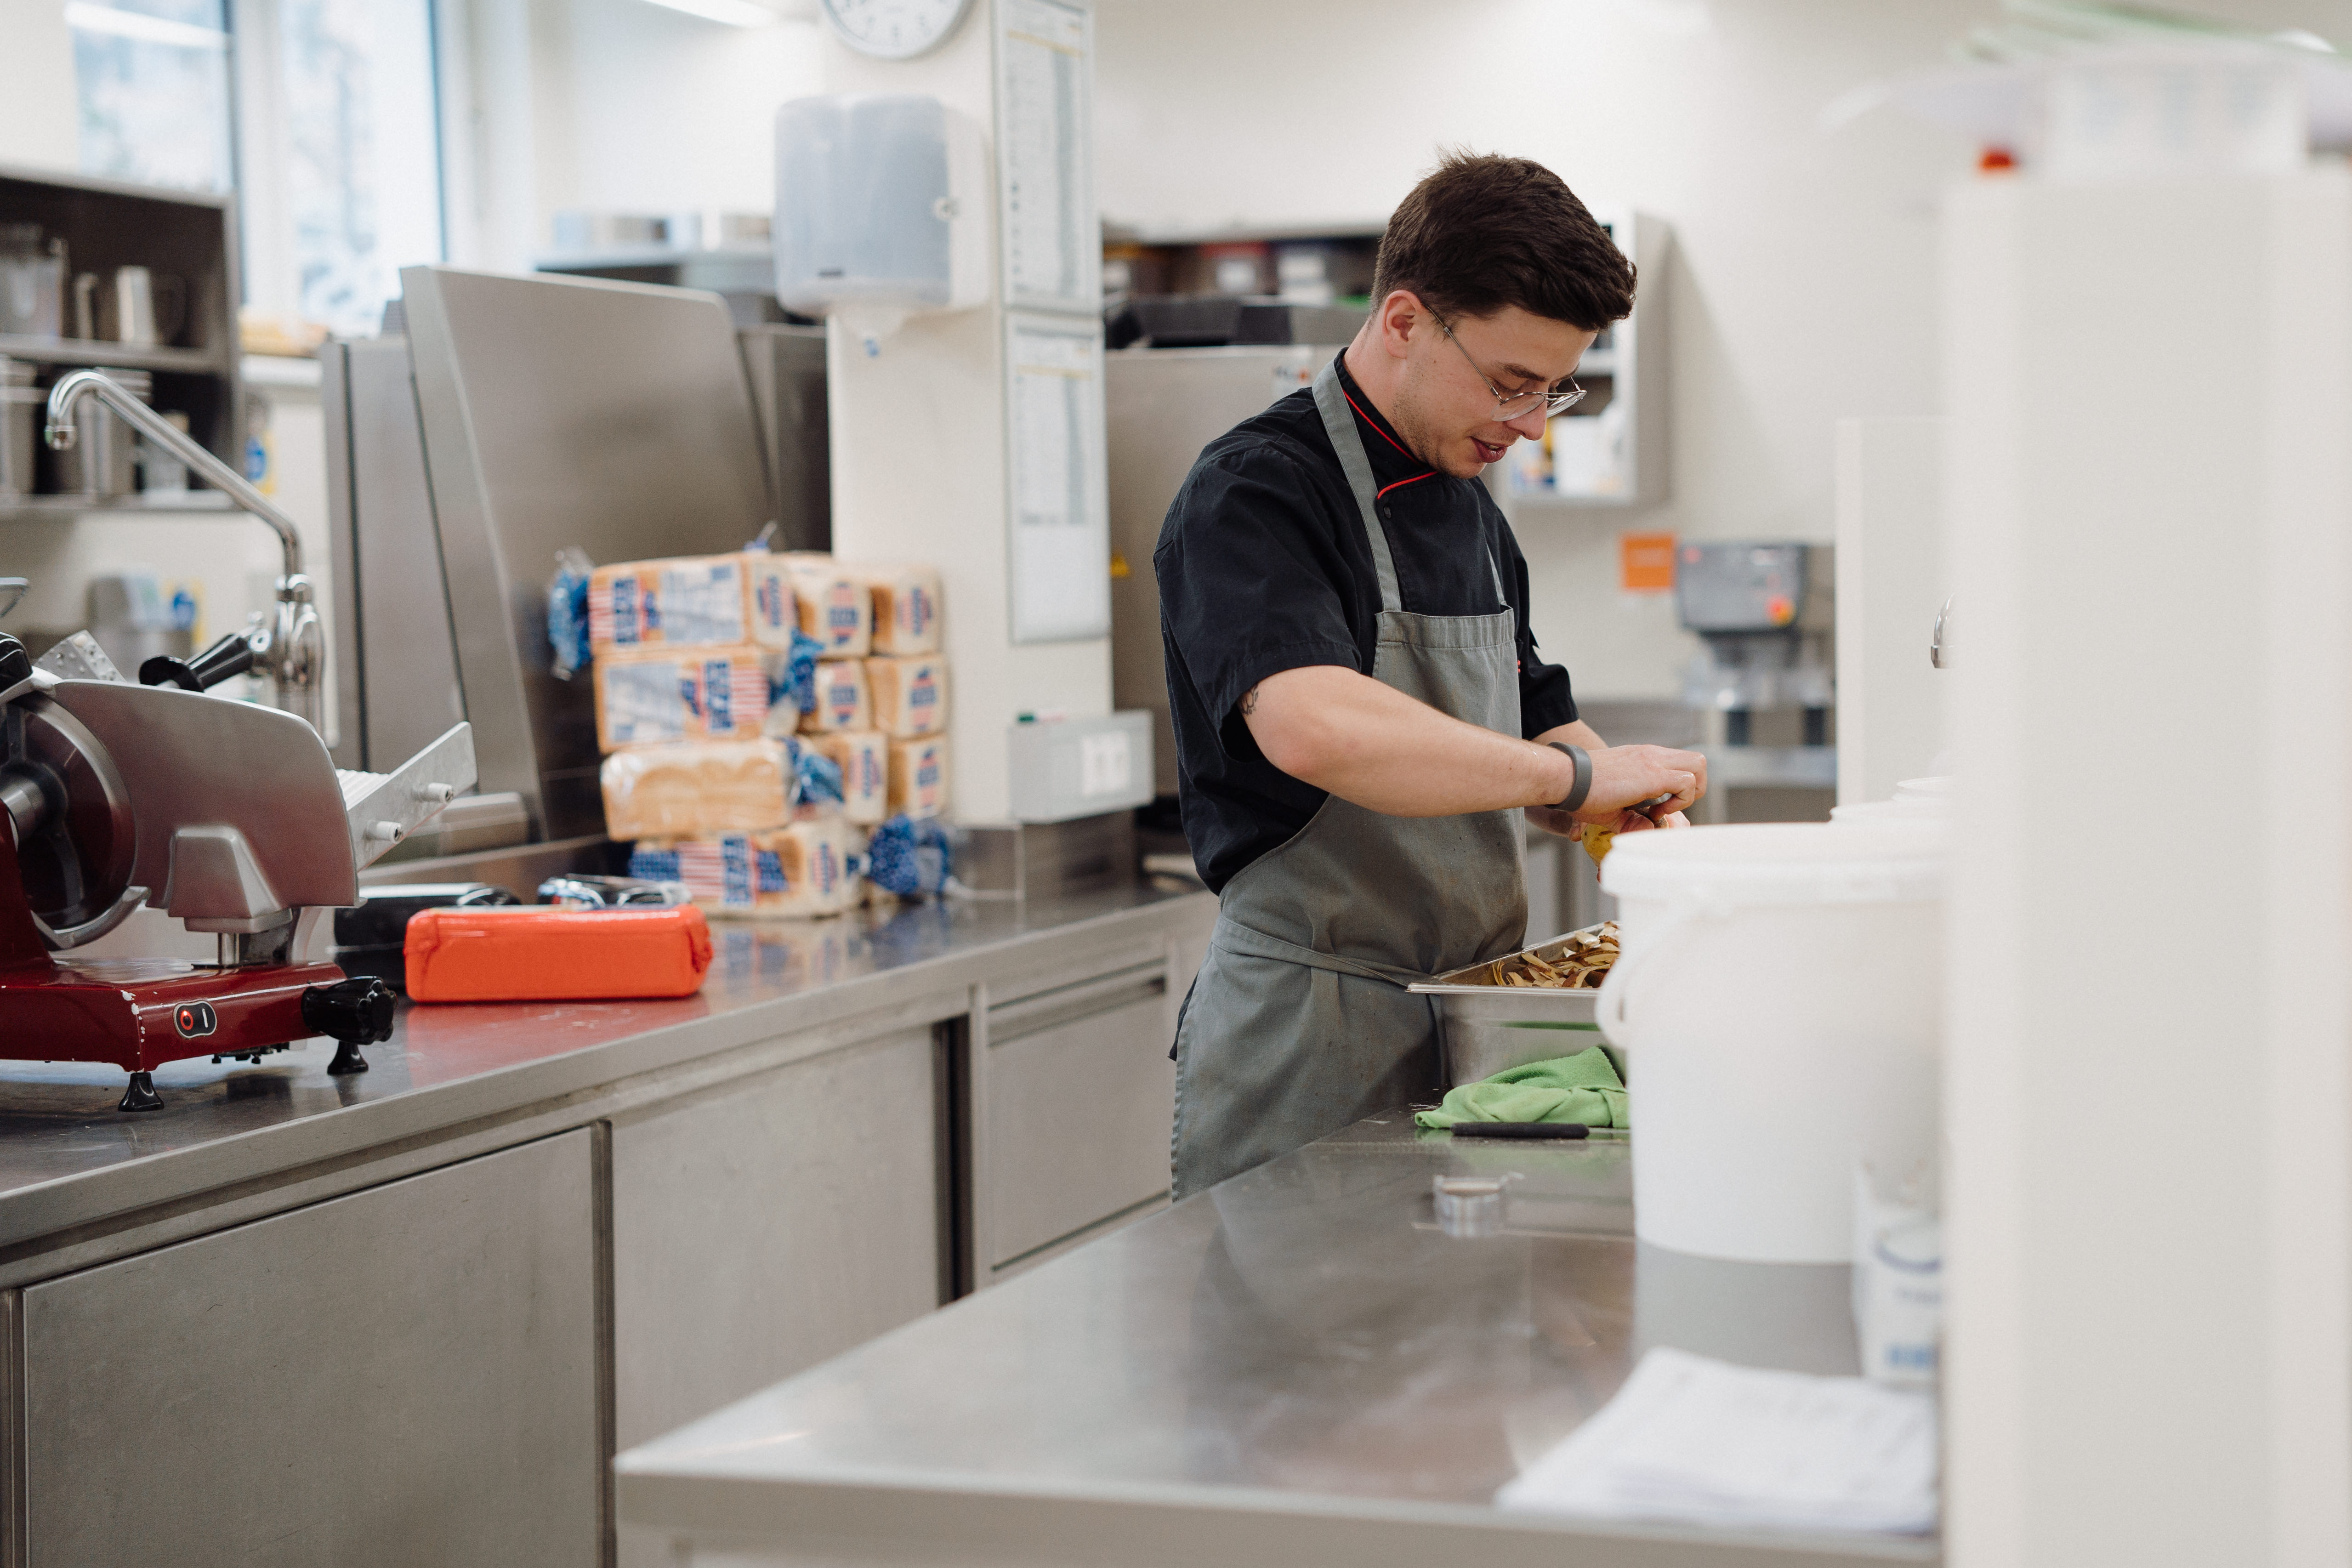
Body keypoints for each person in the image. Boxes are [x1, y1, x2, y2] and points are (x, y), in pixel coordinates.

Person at [1156, 152, 1710, 1199]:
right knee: (1291, 1302)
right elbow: (1318, 726)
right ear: (1405, 321)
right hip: (1310, 1030)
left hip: (1471, 1019)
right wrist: (1575, 780)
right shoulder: (1256, 491)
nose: (1531, 423)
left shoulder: (1473, 510)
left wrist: (1620, 811)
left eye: (1554, 390)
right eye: (1511, 384)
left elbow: (1537, 721)